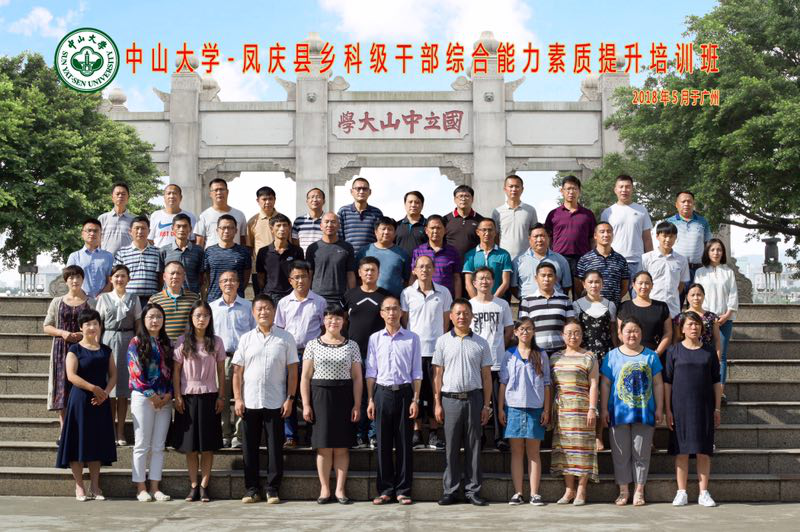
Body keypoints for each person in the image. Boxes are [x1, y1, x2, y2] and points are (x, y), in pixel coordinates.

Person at [233, 295, 299, 504]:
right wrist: (238, 399)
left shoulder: (286, 338)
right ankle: (252, 488)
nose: (264, 312)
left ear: (274, 311)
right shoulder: (246, 339)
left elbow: (293, 371)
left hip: (276, 401)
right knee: (249, 447)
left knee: (275, 447)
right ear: (253, 313)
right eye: (259, 309)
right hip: (250, 401)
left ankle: (272, 488)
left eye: (268, 308)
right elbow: (237, 372)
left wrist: (290, 398)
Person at [300, 304, 363, 504]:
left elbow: (357, 377)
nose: (333, 321)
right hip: (320, 397)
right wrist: (306, 404)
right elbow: (305, 377)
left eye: (337, 318)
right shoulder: (312, 344)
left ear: (344, 321)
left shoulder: (352, 345)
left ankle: (340, 490)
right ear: (323, 321)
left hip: (344, 396)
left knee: (342, 447)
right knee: (324, 447)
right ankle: (325, 489)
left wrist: (357, 404)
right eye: (329, 318)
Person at [433, 299, 493, 507]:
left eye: (466, 313)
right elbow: (437, 375)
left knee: (474, 447)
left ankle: (473, 490)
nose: (462, 317)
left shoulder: (481, 343)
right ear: (451, 316)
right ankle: (450, 490)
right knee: (450, 447)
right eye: (458, 313)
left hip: (474, 399)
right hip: (450, 400)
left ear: (472, 316)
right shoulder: (442, 341)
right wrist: (437, 403)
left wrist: (486, 405)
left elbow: (487, 377)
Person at [600, 316, 664, 507]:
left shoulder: (651, 356)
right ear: (620, 334)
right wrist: (603, 409)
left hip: (644, 411)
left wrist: (659, 408)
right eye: (628, 331)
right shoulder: (611, 356)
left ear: (641, 333)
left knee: (641, 453)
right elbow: (605, 384)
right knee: (620, 454)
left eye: (636, 330)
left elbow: (658, 383)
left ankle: (639, 490)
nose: (632, 335)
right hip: (618, 412)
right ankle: (623, 490)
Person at [55, 308, 117, 501]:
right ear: (81, 327)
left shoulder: (106, 350)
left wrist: (104, 393)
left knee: (96, 443)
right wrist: (93, 388)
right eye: (88, 324)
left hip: (100, 401)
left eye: (95, 323)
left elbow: (114, 375)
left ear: (100, 326)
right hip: (80, 400)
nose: (92, 327)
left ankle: (95, 487)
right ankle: (79, 486)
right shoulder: (74, 349)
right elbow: (71, 376)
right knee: (78, 442)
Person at [366, 296, 423, 505]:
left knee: (404, 444)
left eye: (395, 309)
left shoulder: (412, 338)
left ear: (401, 312)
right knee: (382, 443)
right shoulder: (375, 339)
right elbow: (371, 371)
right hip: (382, 393)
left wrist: (415, 399)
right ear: (381, 313)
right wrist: (370, 399)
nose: (392, 313)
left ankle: (403, 490)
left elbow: (417, 372)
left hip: (405, 393)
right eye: (387, 309)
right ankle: (385, 489)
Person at [664, 311, 722, 508]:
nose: (694, 327)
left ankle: (703, 492)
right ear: (682, 328)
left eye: (697, 324)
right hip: (680, 407)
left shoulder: (709, 352)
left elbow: (716, 382)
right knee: (681, 450)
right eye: (689, 324)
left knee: (703, 450)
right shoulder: (673, 351)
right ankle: (681, 492)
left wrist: (717, 409)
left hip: (704, 407)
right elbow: (667, 383)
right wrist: (667, 409)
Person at [172, 300, 226, 502]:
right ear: (191, 318)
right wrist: (177, 395)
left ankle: (204, 485)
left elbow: (221, 371)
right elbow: (176, 372)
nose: (201, 319)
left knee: (207, 445)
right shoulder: (182, 341)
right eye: (197, 315)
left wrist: (221, 396)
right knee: (191, 446)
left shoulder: (217, 341)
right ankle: (193, 484)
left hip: (210, 395)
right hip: (187, 396)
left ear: (210, 318)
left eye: (205, 315)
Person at [401, 255, 453, 450]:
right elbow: (405, 321)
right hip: (414, 350)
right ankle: (416, 432)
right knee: (416, 391)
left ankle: (433, 432)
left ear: (434, 270)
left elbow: (446, 322)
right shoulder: (406, 293)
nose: (424, 270)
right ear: (414, 270)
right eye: (421, 267)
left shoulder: (444, 292)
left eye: (428, 266)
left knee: (434, 391)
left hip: (436, 350)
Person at [498, 317, 551, 506]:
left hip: (535, 408)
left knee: (534, 452)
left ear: (534, 331)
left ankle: (535, 493)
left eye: (528, 329)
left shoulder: (541, 354)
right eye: (521, 329)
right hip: (513, 407)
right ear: (515, 332)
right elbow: (503, 383)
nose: (525, 332)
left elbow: (546, 384)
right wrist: (500, 408)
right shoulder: (509, 354)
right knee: (516, 452)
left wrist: (546, 409)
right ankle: (518, 492)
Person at [275, 261, 327, 448]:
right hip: (289, 355)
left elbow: (324, 329)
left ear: (309, 277)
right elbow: (279, 330)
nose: (300, 281)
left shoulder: (319, 302)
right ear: (290, 280)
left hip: (313, 355)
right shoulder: (283, 303)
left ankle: (313, 434)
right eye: (296, 277)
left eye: (303, 276)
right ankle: (291, 436)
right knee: (289, 394)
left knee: (313, 394)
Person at [127, 303, 174, 502]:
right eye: (151, 317)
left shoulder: (167, 343)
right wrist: (152, 396)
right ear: (144, 320)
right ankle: (141, 487)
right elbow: (135, 371)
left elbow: (174, 372)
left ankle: (155, 487)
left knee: (158, 445)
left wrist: (169, 395)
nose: (155, 321)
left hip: (165, 400)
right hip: (143, 398)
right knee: (141, 444)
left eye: (158, 317)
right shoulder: (136, 342)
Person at [550, 319, 600, 505]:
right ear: (562, 336)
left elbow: (594, 384)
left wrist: (592, 408)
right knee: (565, 449)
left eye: (577, 332)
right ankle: (569, 489)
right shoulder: (554, 357)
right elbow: (550, 386)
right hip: (562, 409)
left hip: (582, 408)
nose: (573, 336)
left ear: (582, 335)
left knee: (583, 448)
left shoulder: (589, 356)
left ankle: (581, 489)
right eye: (569, 333)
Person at [343, 257, 390, 448]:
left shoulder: (385, 296)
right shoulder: (350, 295)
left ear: (378, 273)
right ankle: (359, 433)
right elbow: (342, 321)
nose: (369, 273)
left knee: (376, 394)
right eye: (366, 270)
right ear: (359, 273)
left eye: (373, 270)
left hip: (379, 353)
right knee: (358, 394)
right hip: (354, 353)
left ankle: (373, 433)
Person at [44, 265, 96, 430]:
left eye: (78, 277)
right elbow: (47, 326)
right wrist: (62, 333)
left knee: (82, 387)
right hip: (61, 349)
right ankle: (64, 431)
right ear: (66, 281)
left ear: (83, 279)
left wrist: (83, 335)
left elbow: (97, 326)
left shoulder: (91, 302)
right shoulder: (57, 302)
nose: (75, 281)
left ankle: (82, 429)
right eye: (71, 278)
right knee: (63, 388)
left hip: (84, 349)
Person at [469, 267, 514, 451]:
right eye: (481, 278)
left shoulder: (502, 304)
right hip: (475, 362)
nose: (484, 282)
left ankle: (499, 436)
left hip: (497, 360)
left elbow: (509, 330)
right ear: (474, 283)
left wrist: (500, 346)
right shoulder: (470, 305)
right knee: (478, 400)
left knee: (497, 400)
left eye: (488, 278)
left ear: (493, 282)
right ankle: (478, 436)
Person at [96, 264, 141, 445]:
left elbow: (138, 324)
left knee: (123, 391)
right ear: (111, 279)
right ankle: (109, 431)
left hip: (128, 341)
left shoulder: (134, 298)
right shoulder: (104, 298)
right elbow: (98, 324)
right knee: (109, 390)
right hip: (108, 340)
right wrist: (96, 347)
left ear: (128, 279)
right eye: (116, 276)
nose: (120, 279)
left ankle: (121, 432)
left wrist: (138, 346)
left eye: (123, 276)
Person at [210, 271, 256, 449]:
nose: (229, 283)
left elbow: (255, 332)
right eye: (225, 281)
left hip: (243, 358)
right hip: (220, 359)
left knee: (241, 396)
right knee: (221, 396)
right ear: (220, 284)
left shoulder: (248, 306)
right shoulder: (212, 307)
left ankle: (239, 436)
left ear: (239, 284)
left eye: (232, 280)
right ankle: (224, 434)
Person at [694, 239, 738, 395]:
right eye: (712, 250)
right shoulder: (700, 272)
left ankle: (720, 391)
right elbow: (697, 295)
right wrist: (707, 316)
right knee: (704, 353)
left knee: (721, 356)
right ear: (707, 252)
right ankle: (705, 386)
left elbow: (733, 295)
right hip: (705, 319)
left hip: (725, 319)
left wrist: (726, 315)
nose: (716, 253)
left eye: (719, 250)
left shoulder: (728, 272)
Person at [600, 175, 654, 287]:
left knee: (638, 295)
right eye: (621, 187)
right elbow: (602, 239)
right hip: (614, 261)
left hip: (638, 262)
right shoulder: (608, 212)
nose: (624, 190)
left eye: (627, 187)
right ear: (615, 189)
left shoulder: (642, 211)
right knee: (614, 294)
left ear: (632, 189)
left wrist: (650, 261)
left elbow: (647, 239)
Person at [545, 175, 596, 287]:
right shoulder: (553, 214)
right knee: (559, 290)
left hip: (582, 258)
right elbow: (548, 238)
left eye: (574, 189)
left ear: (579, 191)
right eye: (568, 189)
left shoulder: (588, 214)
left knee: (580, 291)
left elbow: (592, 239)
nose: (571, 192)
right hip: (559, 258)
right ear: (562, 191)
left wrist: (592, 258)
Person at [518, 263, 575, 356]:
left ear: (555, 278)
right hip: (535, 352)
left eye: (550, 275)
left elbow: (571, 325)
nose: (546, 279)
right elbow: (523, 328)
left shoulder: (565, 300)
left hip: (560, 351)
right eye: (543, 275)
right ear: (536, 278)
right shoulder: (527, 301)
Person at [617, 271, 672, 361]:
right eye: (640, 283)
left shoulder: (662, 307)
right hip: (629, 356)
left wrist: (656, 354)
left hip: (655, 357)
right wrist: (632, 352)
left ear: (652, 285)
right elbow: (620, 332)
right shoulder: (624, 306)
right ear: (633, 285)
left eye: (647, 283)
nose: (643, 286)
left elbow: (668, 333)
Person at [641, 221, 689, 324]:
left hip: (673, 308)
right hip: (652, 306)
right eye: (665, 236)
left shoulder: (682, 260)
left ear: (675, 238)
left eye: (671, 236)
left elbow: (681, 285)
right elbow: (641, 282)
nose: (668, 240)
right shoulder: (646, 258)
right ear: (657, 236)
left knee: (672, 333)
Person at [306, 212, 357, 305]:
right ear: (321, 226)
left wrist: (352, 297)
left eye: (333, 222)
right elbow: (309, 275)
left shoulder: (347, 247)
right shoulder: (313, 248)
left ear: (339, 226)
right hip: (317, 297)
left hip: (340, 298)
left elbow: (350, 274)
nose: (329, 225)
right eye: (326, 222)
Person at [114, 215, 164, 308]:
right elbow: (116, 279)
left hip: (151, 300)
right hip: (128, 300)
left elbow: (161, 278)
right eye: (137, 228)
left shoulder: (158, 252)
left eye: (143, 228)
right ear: (130, 231)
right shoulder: (122, 253)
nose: (140, 231)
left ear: (149, 231)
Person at [576, 222, 630, 305]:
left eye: (609, 231)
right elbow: (578, 285)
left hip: (614, 307)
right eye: (602, 232)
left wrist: (614, 301)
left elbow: (625, 286)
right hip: (590, 307)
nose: (606, 234)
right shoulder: (585, 259)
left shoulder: (621, 260)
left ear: (612, 235)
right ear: (595, 236)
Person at [255, 213, 304, 305]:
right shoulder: (263, 252)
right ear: (271, 229)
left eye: (285, 225)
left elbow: (300, 274)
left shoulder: (297, 251)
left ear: (289, 228)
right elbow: (261, 276)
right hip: (270, 296)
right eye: (278, 225)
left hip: (292, 296)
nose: (282, 229)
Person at [512, 224, 572, 299]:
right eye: (536, 236)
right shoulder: (518, 261)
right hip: (528, 303)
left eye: (542, 236)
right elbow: (513, 287)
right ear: (529, 239)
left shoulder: (560, 260)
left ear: (548, 238)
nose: (539, 240)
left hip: (555, 302)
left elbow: (566, 286)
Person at [357, 217, 411, 298]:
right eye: (383, 229)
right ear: (376, 232)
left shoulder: (402, 254)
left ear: (395, 233)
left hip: (394, 301)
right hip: (368, 299)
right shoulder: (364, 252)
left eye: (390, 229)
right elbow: (357, 277)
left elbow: (407, 280)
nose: (386, 232)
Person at [411, 214, 462, 299]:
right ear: (426, 230)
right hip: (423, 298)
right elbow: (413, 276)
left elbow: (457, 278)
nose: (435, 231)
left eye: (438, 228)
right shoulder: (418, 251)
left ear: (445, 230)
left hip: (446, 299)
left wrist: (457, 301)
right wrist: (411, 297)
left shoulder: (453, 251)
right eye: (432, 228)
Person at [202, 214, 251, 303]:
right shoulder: (209, 251)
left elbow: (246, 277)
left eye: (230, 228)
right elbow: (206, 276)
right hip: (214, 300)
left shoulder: (244, 252)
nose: (226, 231)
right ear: (217, 230)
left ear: (236, 230)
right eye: (223, 228)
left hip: (237, 300)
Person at [668, 191, 712, 286]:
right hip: (676, 269)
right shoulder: (669, 222)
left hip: (698, 270)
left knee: (697, 295)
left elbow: (708, 245)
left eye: (689, 201)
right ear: (676, 204)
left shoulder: (703, 222)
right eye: (683, 201)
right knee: (677, 295)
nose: (686, 204)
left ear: (693, 204)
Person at [149, 261, 201, 341]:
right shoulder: (154, 300)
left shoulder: (195, 298)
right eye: (172, 273)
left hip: (188, 345)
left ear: (184, 277)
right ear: (164, 276)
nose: (175, 276)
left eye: (179, 273)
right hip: (163, 345)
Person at [462, 218, 513, 300]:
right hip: (476, 303)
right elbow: (468, 284)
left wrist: (493, 301)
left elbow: (505, 283)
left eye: (490, 230)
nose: (487, 233)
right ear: (477, 232)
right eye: (484, 230)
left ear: (495, 232)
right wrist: (477, 302)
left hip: (499, 301)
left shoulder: (504, 254)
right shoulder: (470, 255)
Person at [573, 270, 618, 361]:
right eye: (590, 282)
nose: (594, 285)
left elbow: (613, 330)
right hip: (584, 352)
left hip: (607, 352)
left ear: (602, 284)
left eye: (597, 282)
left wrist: (616, 349)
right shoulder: (576, 305)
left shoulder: (610, 305)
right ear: (584, 284)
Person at [491, 174, 538, 261]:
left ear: (522, 189)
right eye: (511, 186)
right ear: (505, 189)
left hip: (526, 258)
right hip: (504, 258)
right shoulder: (497, 212)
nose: (514, 189)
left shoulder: (530, 210)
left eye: (517, 186)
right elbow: (495, 236)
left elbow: (535, 234)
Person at [66, 218, 113, 298]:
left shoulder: (108, 256)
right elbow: (70, 280)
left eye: (96, 231)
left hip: (103, 300)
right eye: (89, 230)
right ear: (82, 234)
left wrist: (101, 297)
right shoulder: (74, 256)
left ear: (100, 234)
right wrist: (83, 297)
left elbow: (111, 281)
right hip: (80, 299)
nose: (92, 233)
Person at [159, 213, 205, 294]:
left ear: (190, 229)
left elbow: (202, 277)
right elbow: (160, 276)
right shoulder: (164, 250)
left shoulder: (198, 251)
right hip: (169, 297)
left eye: (185, 226)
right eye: (178, 226)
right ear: (172, 228)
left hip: (192, 297)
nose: (181, 229)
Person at [195, 178, 247, 248]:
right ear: (210, 194)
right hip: (211, 255)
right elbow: (199, 243)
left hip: (235, 254)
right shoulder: (204, 216)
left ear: (227, 192)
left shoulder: (239, 215)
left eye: (222, 189)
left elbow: (243, 241)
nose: (219, 192)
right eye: (215, 190)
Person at [337, 177, 384, 254]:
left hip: (371, 257)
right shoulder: (343, 211)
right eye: (358, 189)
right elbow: (339, 237)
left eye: (365, 189)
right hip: (349, 257)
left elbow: (380, 238)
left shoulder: (377, 213)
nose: (361, 191)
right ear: (351, 191)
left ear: (370, 192)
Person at [148, 184, 197, 248]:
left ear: (181, 197)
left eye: (174, 193)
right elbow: (150, 239)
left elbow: (193, 239)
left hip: (182, 253)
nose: (171, 196)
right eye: (168, 193)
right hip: (160, 253)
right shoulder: (155, 215)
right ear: (164, 197)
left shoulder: (190, 217)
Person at [443, 185, 483, 261]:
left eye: (467, 196)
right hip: (450, 262)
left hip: (473, 262)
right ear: (455, 199)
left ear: (472, 199)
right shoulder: (445, 220)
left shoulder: (480, 220)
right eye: (460, 196)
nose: (463, 199)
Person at [246, 186, 282, 269]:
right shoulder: (252, 222)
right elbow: (249, 247)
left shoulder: (284, 220)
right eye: (264, 199)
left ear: (275, 200)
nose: (268, 202)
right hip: (260, 266)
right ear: (257, 201)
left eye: (270, 199)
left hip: (281, 264)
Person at [685, 283, 722, 361]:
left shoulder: (712, 317)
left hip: (707, 357)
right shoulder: (681, 317)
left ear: (704, 296)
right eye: (692, 295)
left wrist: (718, 360)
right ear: (687, 297)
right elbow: (676, 340)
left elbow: (717, 340)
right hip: (686, 357)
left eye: (699, 295)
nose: (696, 298)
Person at [99, 182, 134, 256]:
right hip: (106, 259)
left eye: (123, 194)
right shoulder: (102, 218)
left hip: (127, 259)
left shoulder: (134, 220)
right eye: (117, 194)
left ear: (128, 198)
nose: (120, 196)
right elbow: (97, 240)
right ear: (112, 197)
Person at [292, 187, 325, 254]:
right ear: (307, 201)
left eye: (318, 197)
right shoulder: (299, 221)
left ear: (324, 201)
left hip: (323, 258)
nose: (314, 200)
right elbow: (295, 243)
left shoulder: (329, 221)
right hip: (304, 259)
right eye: (312, 197)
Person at [394, 191, 428, 258]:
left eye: (417, 202)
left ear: (422, 205)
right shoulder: (396, 225)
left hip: (422, 263)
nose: (413, 205)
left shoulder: (429, 226)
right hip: (400, 263)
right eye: (410, 202)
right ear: (405, 204)